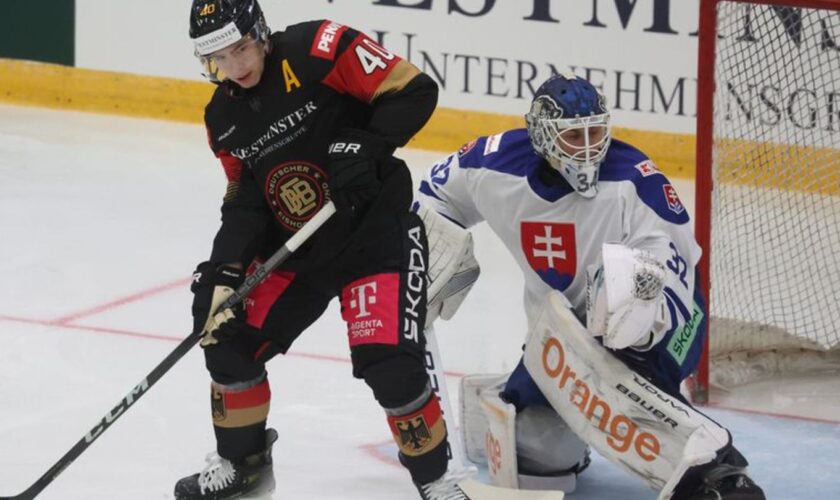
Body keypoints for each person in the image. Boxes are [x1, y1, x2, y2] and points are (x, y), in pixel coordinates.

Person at [416, 74, 766, 499]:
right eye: (572, 136)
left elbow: (676, 276)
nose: (586, 148)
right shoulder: (491, 163)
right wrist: (426, 254)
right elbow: (435, 196)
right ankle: (565, 425)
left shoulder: (637, 182)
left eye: (595, 133)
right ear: (542, 136)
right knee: (537, 460)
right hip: (562, 338)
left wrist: (640, 334)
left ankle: (718, 470)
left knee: (627, 319)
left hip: (666, 323)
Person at [177, 1, 468, 498]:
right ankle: (244, 467)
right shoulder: (221, 116)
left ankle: (438, 482)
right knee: (226, 336)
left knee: (389, 362)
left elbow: (413, 91)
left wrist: (365, 145)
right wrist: (223, 269)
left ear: (260, 33)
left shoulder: (319, 48)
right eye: (219, 59)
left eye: (241, 49)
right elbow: (245, 200)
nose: (235, 67)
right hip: (296, 254)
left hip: (372, 238)